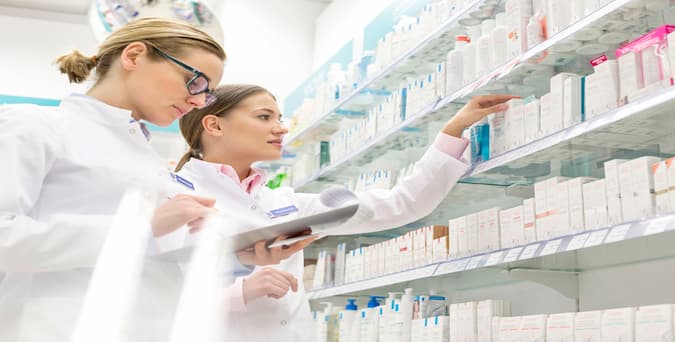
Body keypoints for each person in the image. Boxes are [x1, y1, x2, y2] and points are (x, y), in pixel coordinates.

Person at [0, 18, 302, 342]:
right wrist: (143, 226)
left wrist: (236, 256)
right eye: (194, 81)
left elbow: (153, 255)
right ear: (133, 56)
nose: (198, 102)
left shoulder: (151, 163)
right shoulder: (35, 126)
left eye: (207, 94)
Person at [174, 83, 516, 341]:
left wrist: (453, 129)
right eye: (264, 117)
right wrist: (242, 292)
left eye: (279, 118)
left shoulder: (283, 202)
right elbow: (156, 297)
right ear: (214, 126)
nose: (280, 128)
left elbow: (400, 205)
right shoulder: (174, 196)